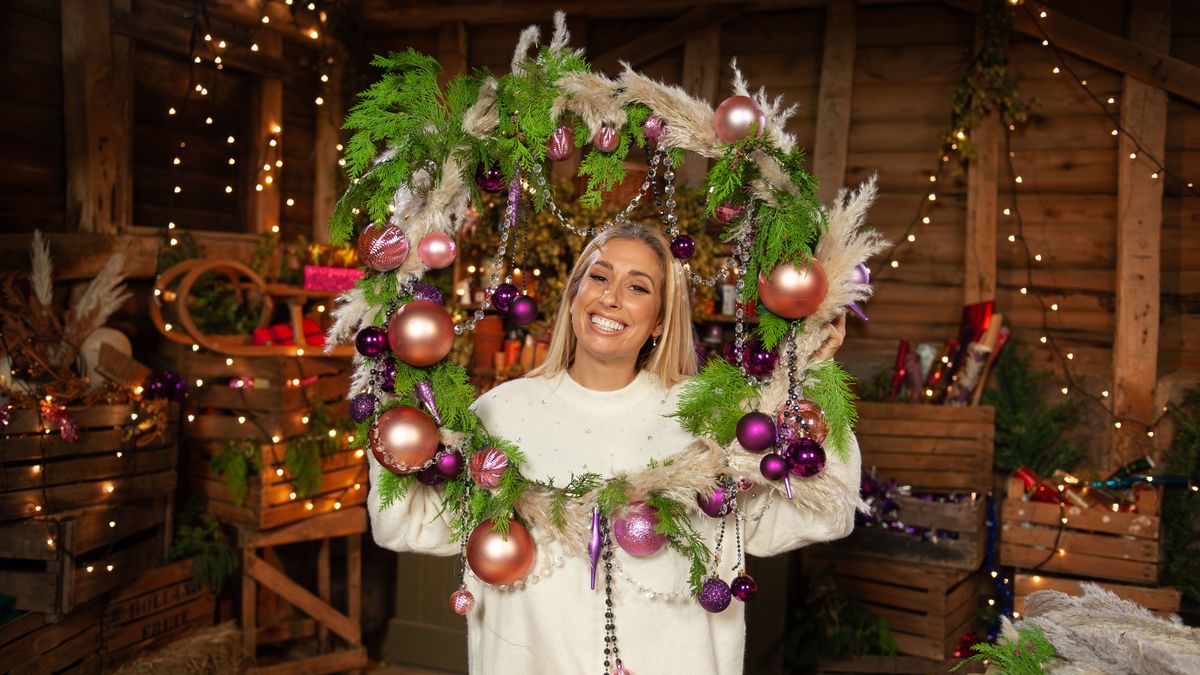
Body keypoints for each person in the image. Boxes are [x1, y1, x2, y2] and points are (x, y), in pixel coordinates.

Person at [368, 222, 859, 674]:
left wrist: (809, 379)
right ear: (574, 295)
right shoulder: (500, 414)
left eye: (638, 286)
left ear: (662, 320)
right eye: (599, 278)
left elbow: (822, 512)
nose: (612, 298)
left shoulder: (709, 417)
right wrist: (395, 405)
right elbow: (405, 523)